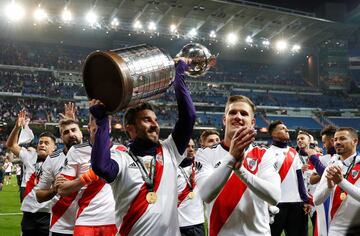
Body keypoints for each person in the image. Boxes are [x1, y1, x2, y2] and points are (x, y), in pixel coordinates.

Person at [90, 58, 196, 235]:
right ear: (130, 128)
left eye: (156, 120)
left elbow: (189, 117)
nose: (155, 125)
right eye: (147, 120)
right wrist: (102, 122)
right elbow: (100, 167)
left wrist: (179, 78)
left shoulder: (170, 149)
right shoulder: (121, 157)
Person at [195, 95, 281, 236]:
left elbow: (274, 196)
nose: (238, 116)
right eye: (232, 112)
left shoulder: (264, 154)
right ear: (224, 119)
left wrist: (240, 170)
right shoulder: (205, 154)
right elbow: (206, 194)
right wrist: (231, 159)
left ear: (252, 122)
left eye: (244, 113)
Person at [55, 113, 118, 236]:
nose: (99, 134)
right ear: (88, 128)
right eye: (95, 130)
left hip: (115, 221)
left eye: (102, 130)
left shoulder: (122, 151)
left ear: (109, 128)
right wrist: (88, 177)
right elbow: (62, 190)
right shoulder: (76, 151)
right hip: (86, 220)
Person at [6, 109, 57, 236]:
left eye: (46, 143)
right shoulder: (30, 156)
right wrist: (17, 128)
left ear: (54, 147)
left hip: (48, 214)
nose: (42, 145)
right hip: (29, 214)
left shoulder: (59, 160)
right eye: (40, 142)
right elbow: (11, 145)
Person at [36, 117, 83, 236]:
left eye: (74, 130)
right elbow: (39, 196)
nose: (71, 134)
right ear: (61, 138)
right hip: (61, 226)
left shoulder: (95, 154)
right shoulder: (52, 159)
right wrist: (54, 189)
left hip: (92, 223)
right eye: (66, 132)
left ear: (81, 133)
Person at [314, 127, 360, 236]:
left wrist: (341, 182)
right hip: (333, 229)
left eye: (342, 139)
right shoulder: (331, 166)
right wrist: (329, 187)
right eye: (335, 140)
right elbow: (316, 200)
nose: (337, 142)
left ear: (355, 141)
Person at [267, 120, 310, 236]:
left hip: (296, 204)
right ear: (273, 134)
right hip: (276, 205)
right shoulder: (266, 153)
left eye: (286, 128)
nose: (286, 130)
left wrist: (305, 200)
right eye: (282, 128)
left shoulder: (293, 152)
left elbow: (299, 177)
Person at [177, 139, 205, 236]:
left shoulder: (200, 166)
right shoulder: (171, 167)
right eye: (187, 146)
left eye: (193, 147)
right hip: (177, 224)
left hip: (197, 223)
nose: (191, 149)